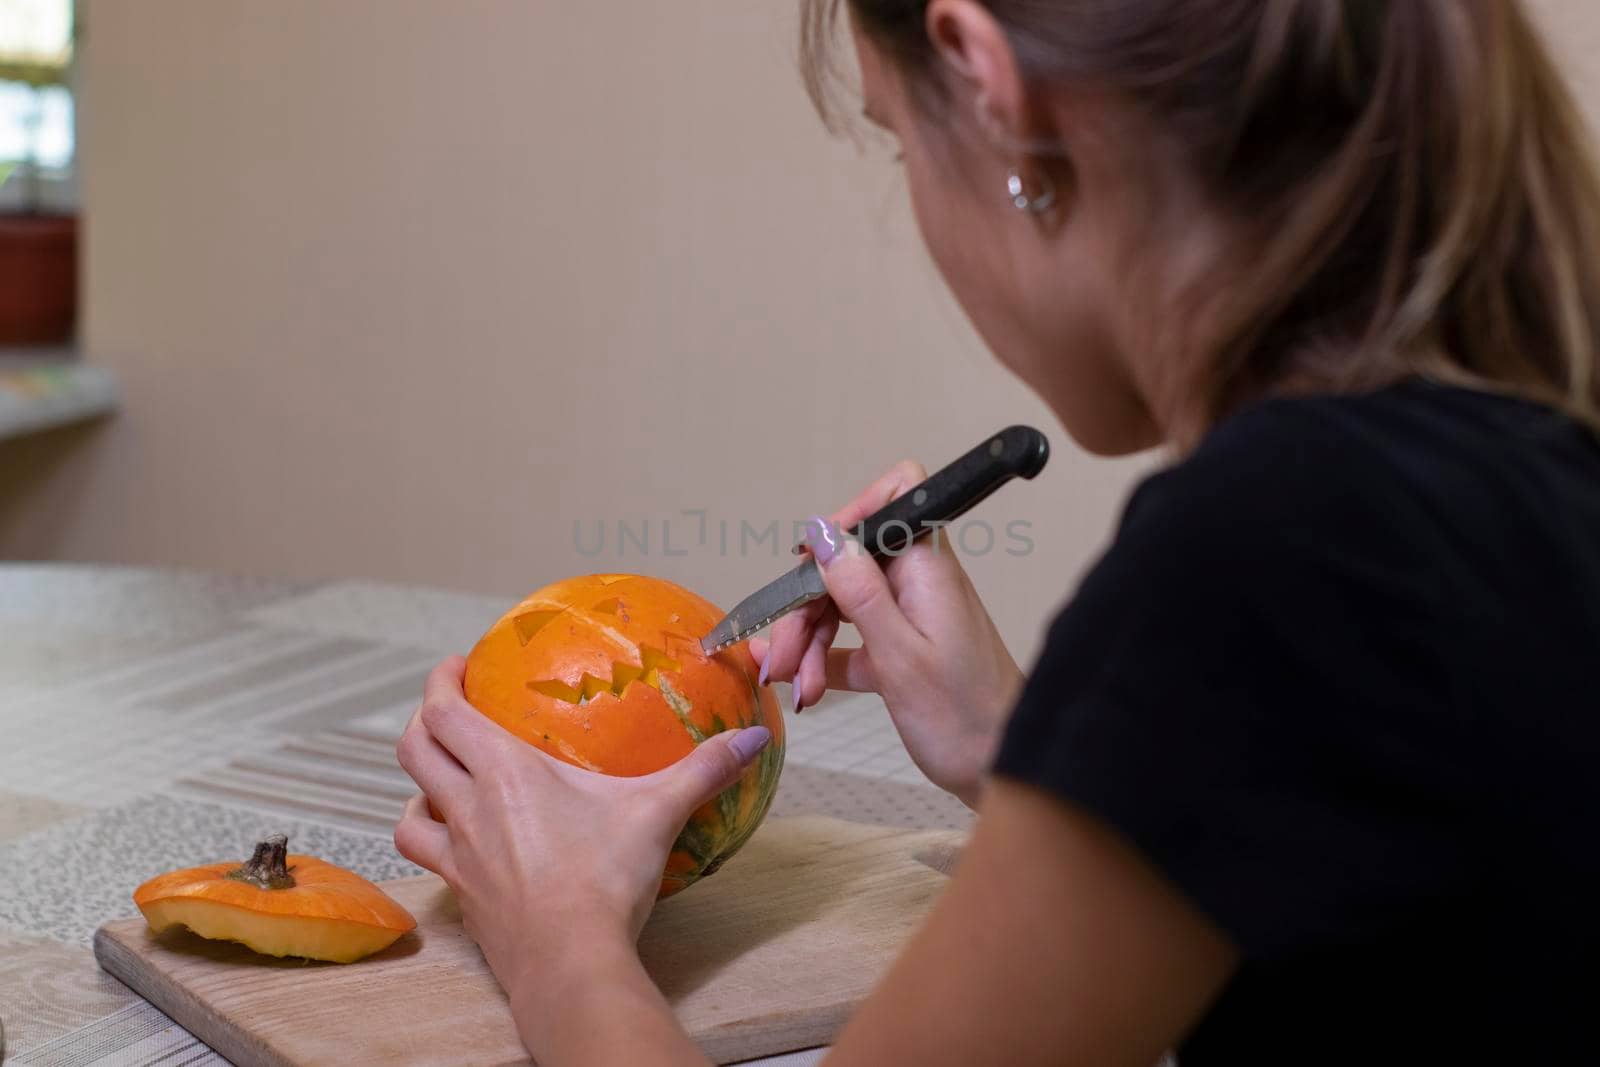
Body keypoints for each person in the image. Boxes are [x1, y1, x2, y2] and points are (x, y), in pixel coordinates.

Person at [394, 1, 1600, 1062]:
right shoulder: (1516, 466)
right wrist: (1018, 745)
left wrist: (556, 936)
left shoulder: (1280, 541)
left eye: (897, 136)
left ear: (987, 85)